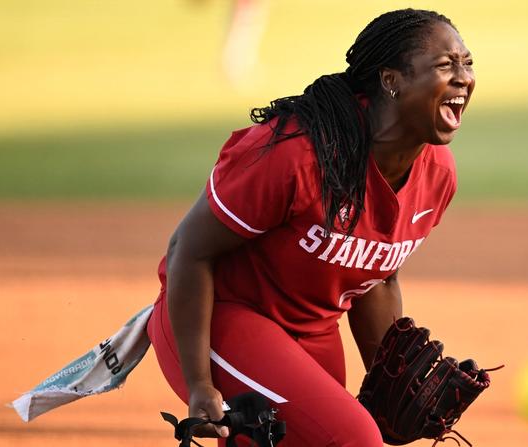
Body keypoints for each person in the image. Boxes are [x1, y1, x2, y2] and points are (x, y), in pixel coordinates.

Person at [146, 8, 475, 446]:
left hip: (313, 331)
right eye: (444, 65)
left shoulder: (437, 174)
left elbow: (376, 276)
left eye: (467, 63)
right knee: (355, 439)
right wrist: (199, 383)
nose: (463, 77)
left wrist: (391, 384)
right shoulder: (297, 154)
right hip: (221, 320)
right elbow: (189, 249)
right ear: (391, 80)